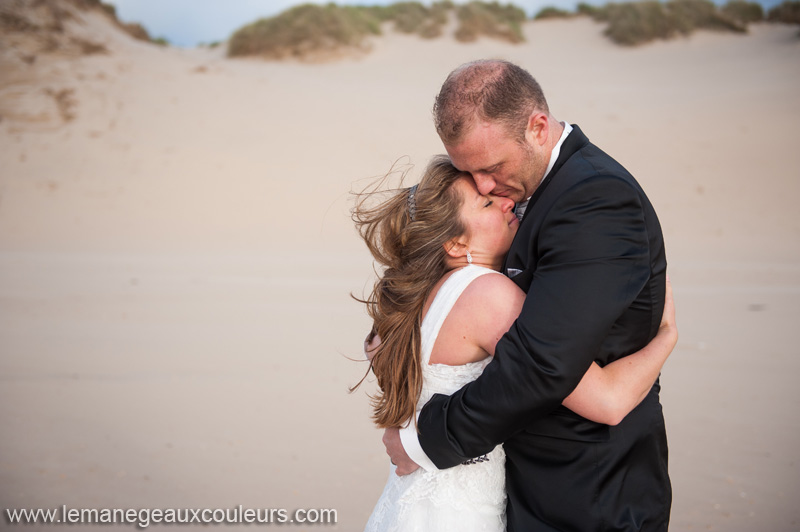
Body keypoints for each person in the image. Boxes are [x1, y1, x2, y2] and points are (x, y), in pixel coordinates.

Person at [383, 60, 672, 531]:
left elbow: (541, 364)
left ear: (538, 128)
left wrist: (426, 439)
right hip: (520, 484)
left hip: (588, 491)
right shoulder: (517, 199)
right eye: (468, 173)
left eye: (491, 168)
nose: (483, 185)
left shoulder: (596, 196)